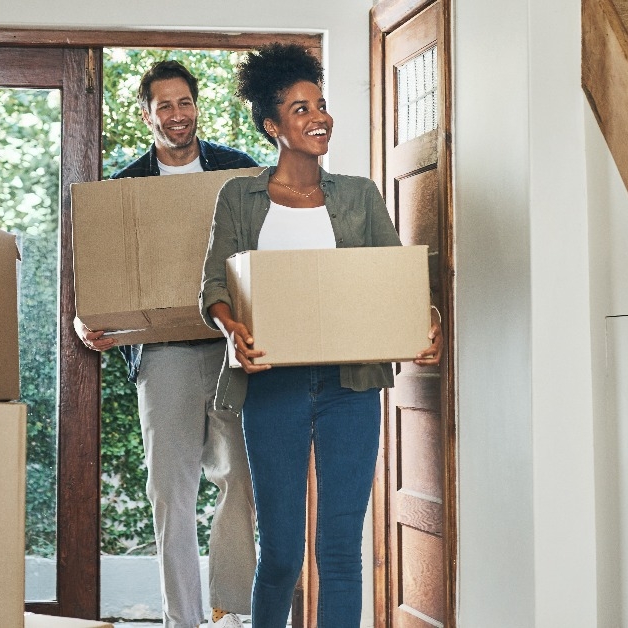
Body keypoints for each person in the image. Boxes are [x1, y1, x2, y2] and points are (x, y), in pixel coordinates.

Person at [199, 43, 442, 628]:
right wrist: (231, 330)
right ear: (272, 126)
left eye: (321, 105)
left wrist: (425, 317)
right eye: (301, 109)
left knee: (339, 551)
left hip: (349, 388)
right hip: (272, 385)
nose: (319, 118)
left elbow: (394, 279)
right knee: (281, 551)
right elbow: (214, 285)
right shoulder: (239, 197)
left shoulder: (359, 195)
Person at [73, 59, 257, 628]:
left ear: (196, 106)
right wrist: (87, 322)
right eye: (165, 106)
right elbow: (97, 277)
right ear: (146, 114)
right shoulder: (124, 188)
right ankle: (183, 620)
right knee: (170, 494)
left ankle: (230, 612)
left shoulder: (239, 172)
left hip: (230, 347)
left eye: (185, 103)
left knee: (240, 481)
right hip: (163, 354)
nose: (177, 115)